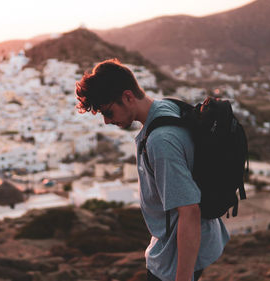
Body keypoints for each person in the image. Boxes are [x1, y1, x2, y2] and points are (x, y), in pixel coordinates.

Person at [75, 59, 229, 281]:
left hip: (174, 258)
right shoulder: (166, 107)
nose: (107, 121)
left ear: (128, 96)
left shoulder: (160, 141)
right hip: (188, 243)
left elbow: (189, 211)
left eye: (108, 112)